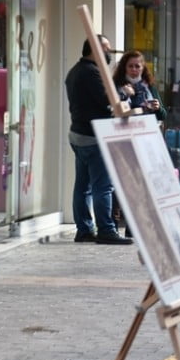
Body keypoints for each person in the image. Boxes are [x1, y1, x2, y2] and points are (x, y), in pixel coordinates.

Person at [64, 35, 133, 245]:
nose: (109, 54)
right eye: (106, 49)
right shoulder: (91, 73)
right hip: (93, 137)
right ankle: (106, 230)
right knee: (103, 186)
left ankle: (84, 229)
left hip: (78, 134)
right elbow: (107, 100)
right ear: (94, 49)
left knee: (83, 185)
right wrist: (124, 92)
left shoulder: (75, 71)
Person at [113, 51, 166, 121]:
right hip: (124, 129)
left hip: (146, 129)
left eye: (137, 66)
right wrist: (125, 97)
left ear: (142, 68)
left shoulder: (149, 86)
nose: (134, 69)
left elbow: (163, 116)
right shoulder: (115, 85)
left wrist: (158, 108)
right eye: (130, 66)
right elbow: (112, 113)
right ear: (124, 67)